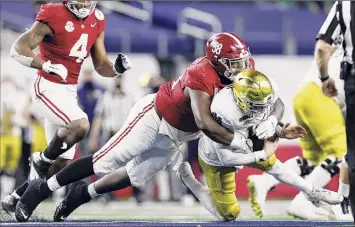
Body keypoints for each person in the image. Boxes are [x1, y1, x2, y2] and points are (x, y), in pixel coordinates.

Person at [16, 33, 297, 222]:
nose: (241, 66)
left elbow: (275, 99)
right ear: (217, 62)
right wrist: (240, 140)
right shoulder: (201, 73)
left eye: (242, 61)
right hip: (155, 117)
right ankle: (42, 188)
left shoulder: (246, 68)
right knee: (107, 160)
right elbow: (204, 122)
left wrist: (273, 120)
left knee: (134, 176)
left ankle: (82, 194)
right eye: (233, 63)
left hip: (180, 133)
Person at [1, 0, 131, 217]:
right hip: (47, 85)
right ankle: (41, 159)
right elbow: (18, 48)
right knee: (80, 126)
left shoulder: (97, 19)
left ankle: (15, 198)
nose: (83, 3)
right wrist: (44, 64)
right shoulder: (53, 12)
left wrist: (116, 69)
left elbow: (100, 65)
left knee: (60, 164)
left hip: (68, 91)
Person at [176, 69, 343, 221]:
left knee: (274, 165)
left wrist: (279, 129)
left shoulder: (261, 93)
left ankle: (311, 190)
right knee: (228, 214)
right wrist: (262, 154)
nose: (264, 110)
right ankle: (192, 184)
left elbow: (277, 105)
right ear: (241, 100)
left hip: (246, 139)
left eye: (265, 104)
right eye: (258, 106)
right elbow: (227, 158)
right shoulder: (223, 111)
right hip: (219, 158)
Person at [246, 38, 352, 220]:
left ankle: (265, 181)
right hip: (321, 96)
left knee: (315, 161)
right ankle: (304, 200)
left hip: (305, 93)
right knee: (341, 153)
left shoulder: (343, 40)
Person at [314, 1, 355, 222]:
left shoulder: (344, 7)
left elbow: (322, 47)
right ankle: (340, 199)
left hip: (340, 85)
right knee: (341, 150)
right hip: (325, 91)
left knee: (346, 149)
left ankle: (341, 199)